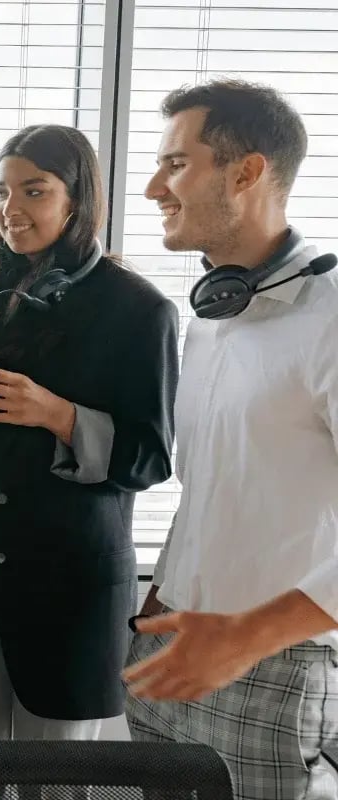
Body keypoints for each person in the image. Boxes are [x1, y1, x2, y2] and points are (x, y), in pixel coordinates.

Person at [0, 124, 179, 742]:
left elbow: (151, 457)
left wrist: (57, 414)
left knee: (56, 779)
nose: (11, 208)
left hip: (70, 588)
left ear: (76, 199)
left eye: (34, 191)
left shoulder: (140, 310)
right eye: (2, 191)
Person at [124, 79, 338, 800]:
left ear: (245, 172)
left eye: (176, 164)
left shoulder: (331, 320)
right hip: (174, 640)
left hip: (270, 662)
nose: (154, 187)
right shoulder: (214, 317)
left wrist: (244, 637)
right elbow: (214, 487)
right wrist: (161, 599)